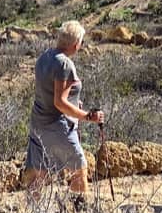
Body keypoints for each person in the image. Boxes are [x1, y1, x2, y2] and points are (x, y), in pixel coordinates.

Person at [23, 20, 105, 196]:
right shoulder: (64, 64)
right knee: (79, 168)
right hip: (58, 126)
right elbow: (60, 102)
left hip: (38, 123)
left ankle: (32, 211)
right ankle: (79, 208)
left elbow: (49, 90)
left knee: (39, 173)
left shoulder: (45, 57)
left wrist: (74, 104)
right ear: (76, 44)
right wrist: (88, 116)